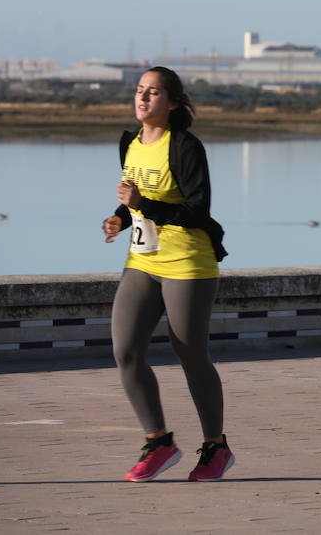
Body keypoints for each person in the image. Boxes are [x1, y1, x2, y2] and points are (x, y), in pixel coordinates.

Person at [101, 66, 235, 482]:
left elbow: (197, 212)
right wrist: (121, 218)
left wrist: (145, 204)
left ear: (173, 102)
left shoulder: (186, 147)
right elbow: (136, 199)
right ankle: (159, 441)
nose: (143, 98)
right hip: (143, 259)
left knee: (191, 355)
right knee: (125, 352)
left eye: (154, 93)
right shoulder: (131, 143)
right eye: (140, 91)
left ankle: (216, 447)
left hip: (188, 263)